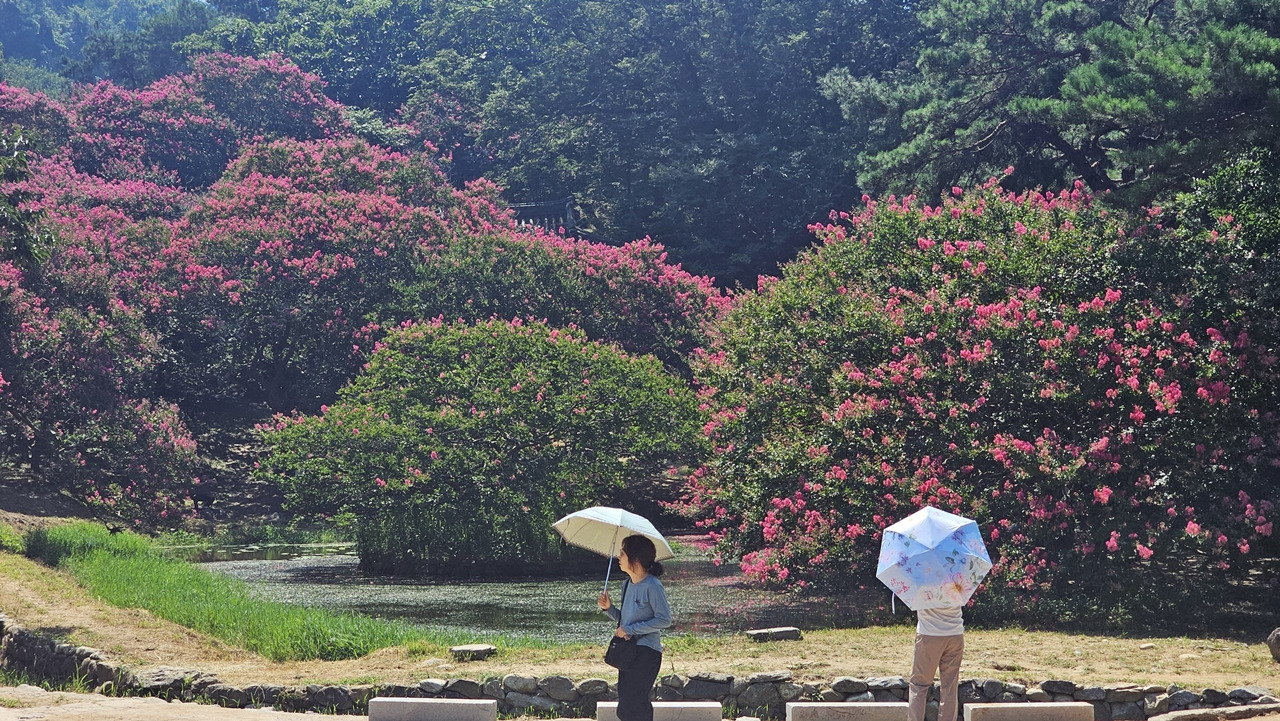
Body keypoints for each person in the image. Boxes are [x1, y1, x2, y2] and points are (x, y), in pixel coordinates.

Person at [597, 534, 671, 721]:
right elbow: (625, 621)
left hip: (647, 653)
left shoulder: (653, 585)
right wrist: (609, 609)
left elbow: (664, 620)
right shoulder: (626, 585)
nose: (619, 558)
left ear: (635, 559)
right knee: (625, 705)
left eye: (623, 553)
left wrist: (631, 630)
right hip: (628, 653)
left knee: (635, 703)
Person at [908, 605, 964, 721]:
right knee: (950, 686)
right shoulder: (958, 586)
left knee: (919, 686)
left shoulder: (921, 586)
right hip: (955, 633)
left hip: (928, 634)